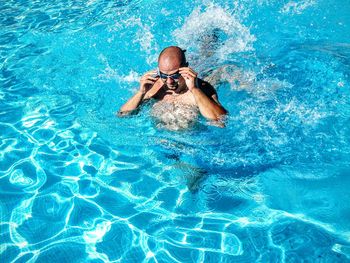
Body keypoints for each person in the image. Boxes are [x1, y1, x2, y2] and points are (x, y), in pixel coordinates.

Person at [117, 46, 227, 129]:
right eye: (164, 75)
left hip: (190, 139)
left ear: (185, 67)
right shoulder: (152, 87)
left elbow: (220, 121)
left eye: (175, 75)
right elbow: (122, 116)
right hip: (163, 139)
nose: (169, 81)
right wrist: (141, 93)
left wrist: (194, 89)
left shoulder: (202, 88)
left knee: (210, 63)